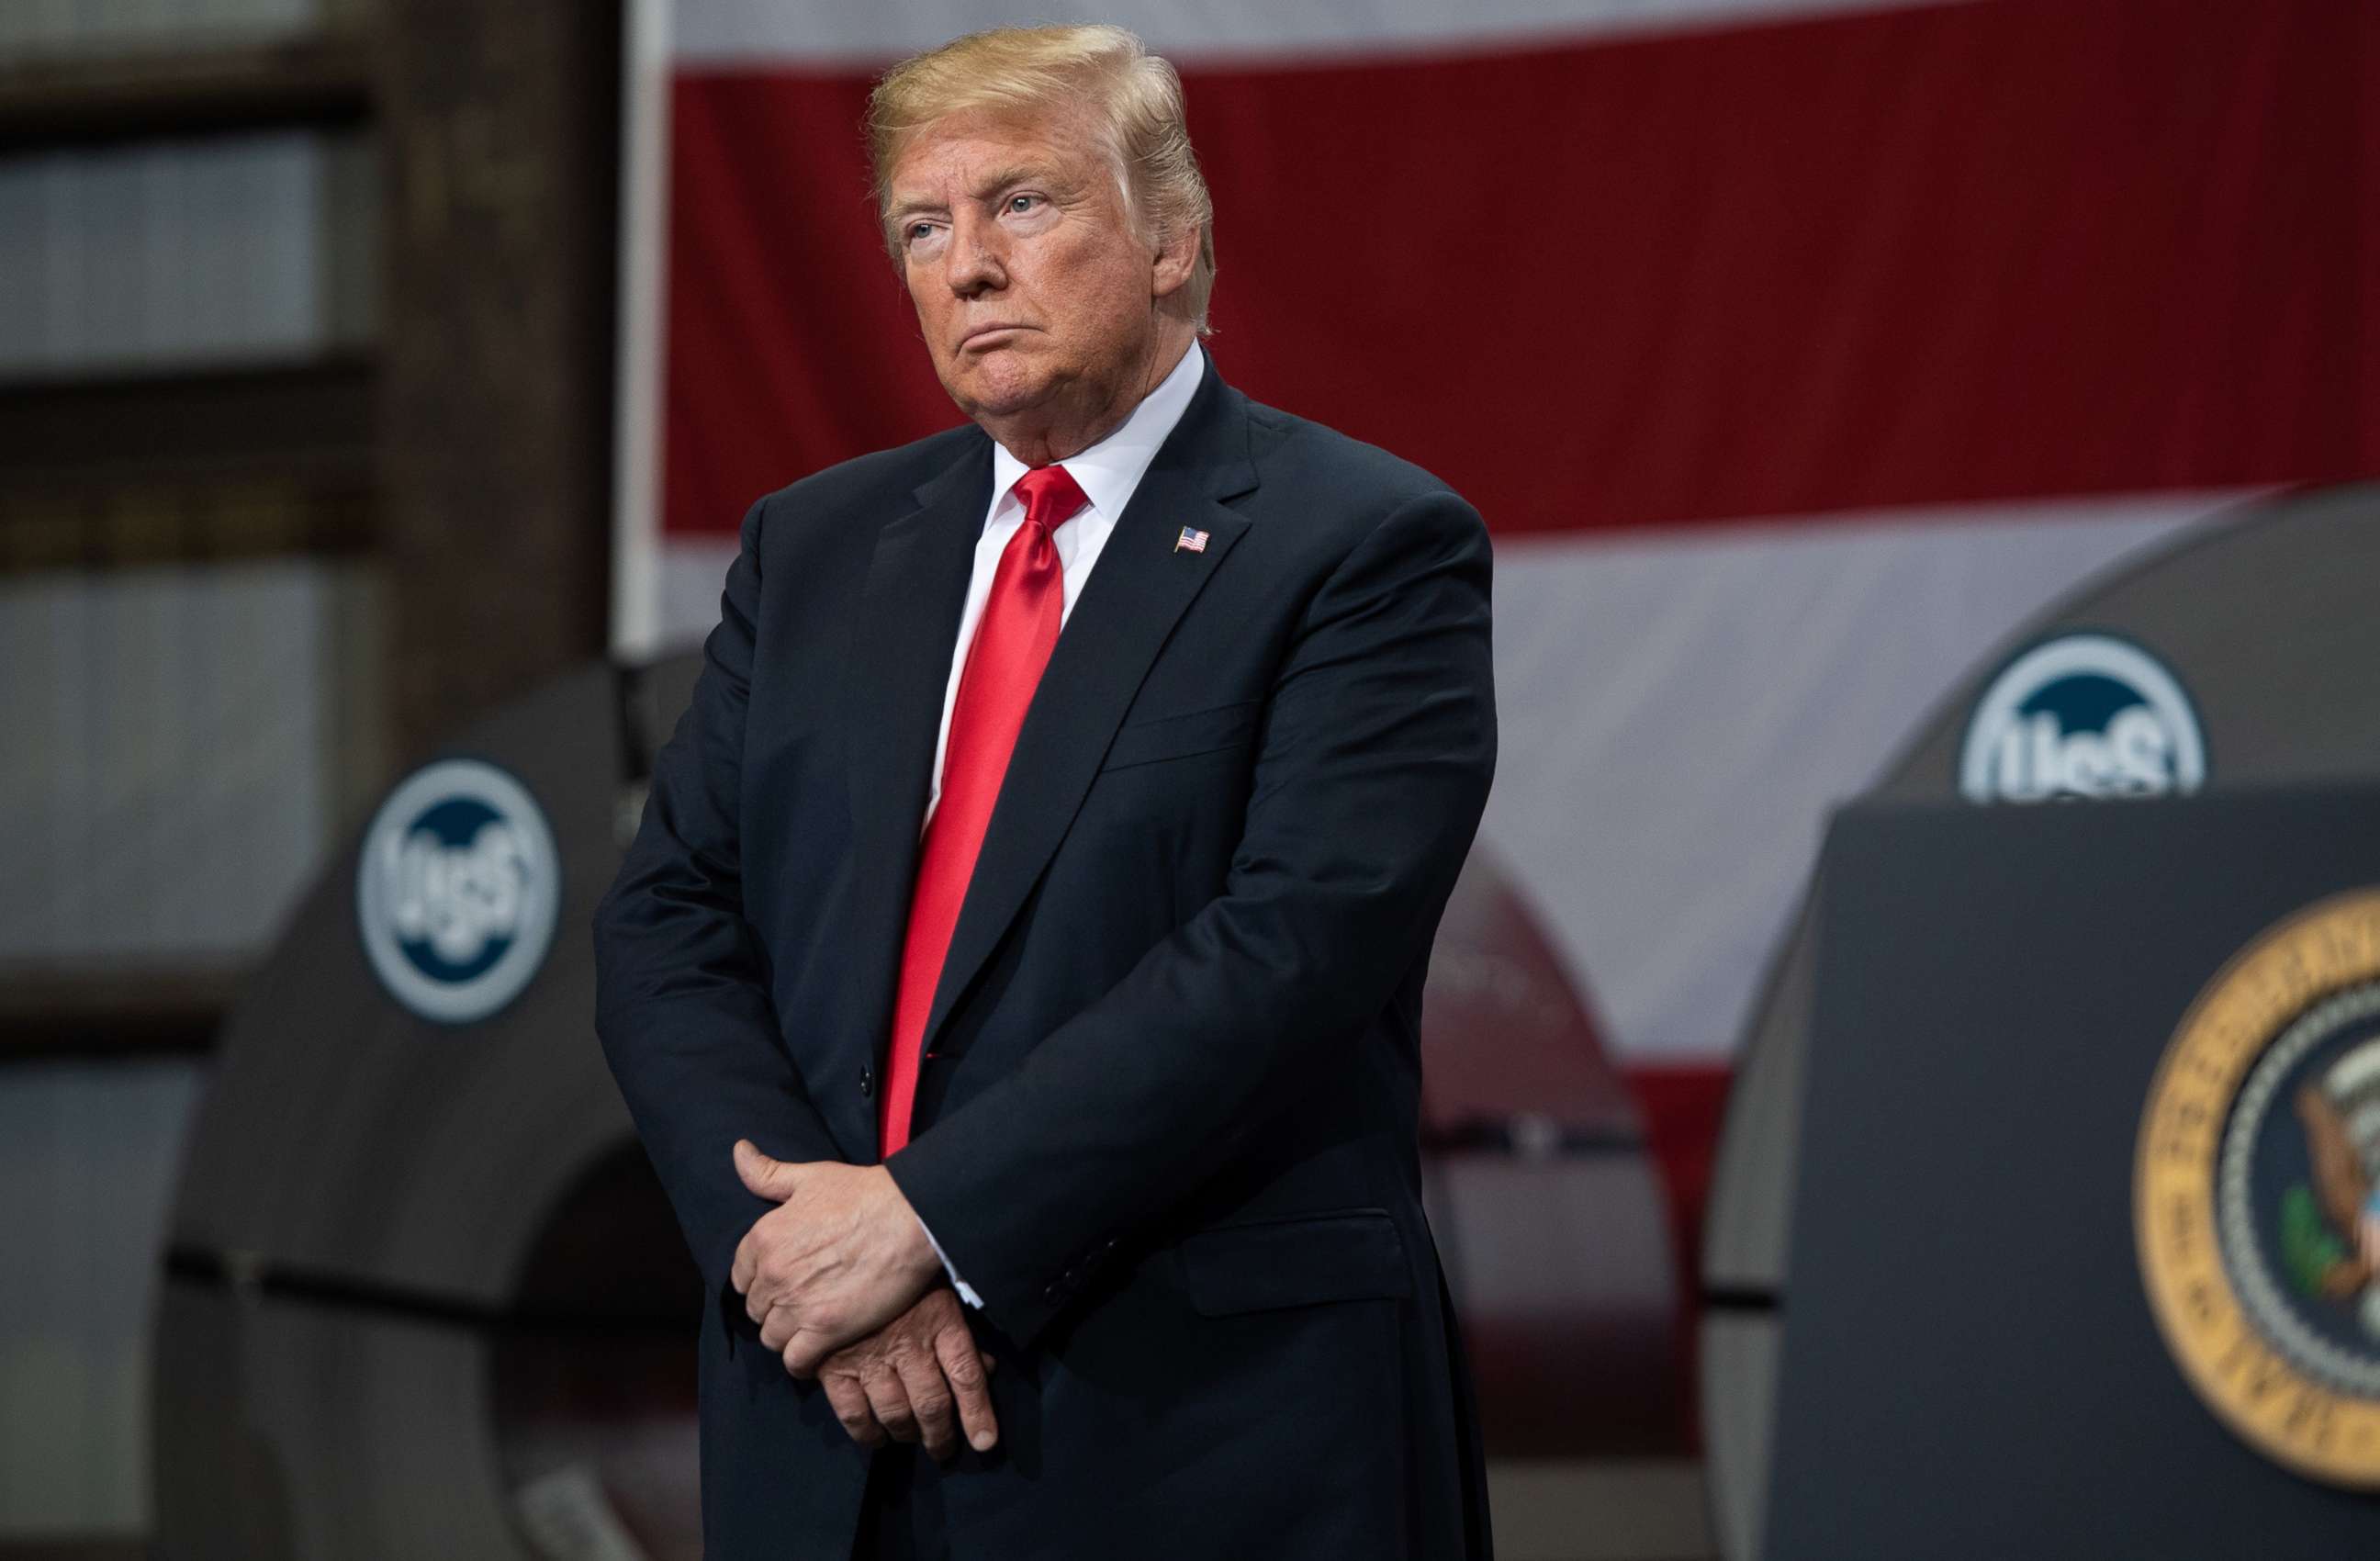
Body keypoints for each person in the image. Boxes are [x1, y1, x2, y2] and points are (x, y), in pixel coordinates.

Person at [592, 23, 1497, 1560]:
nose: (966, 269)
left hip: (1202, 1435)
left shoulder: (1363, 545)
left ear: (1173, 239)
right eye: (921, 231)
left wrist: (923, 1222)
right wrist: (803, 1255)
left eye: (1021, 205)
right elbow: (669, 922)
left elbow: (1288, 952)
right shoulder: (812, 553)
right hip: (833, 1429)